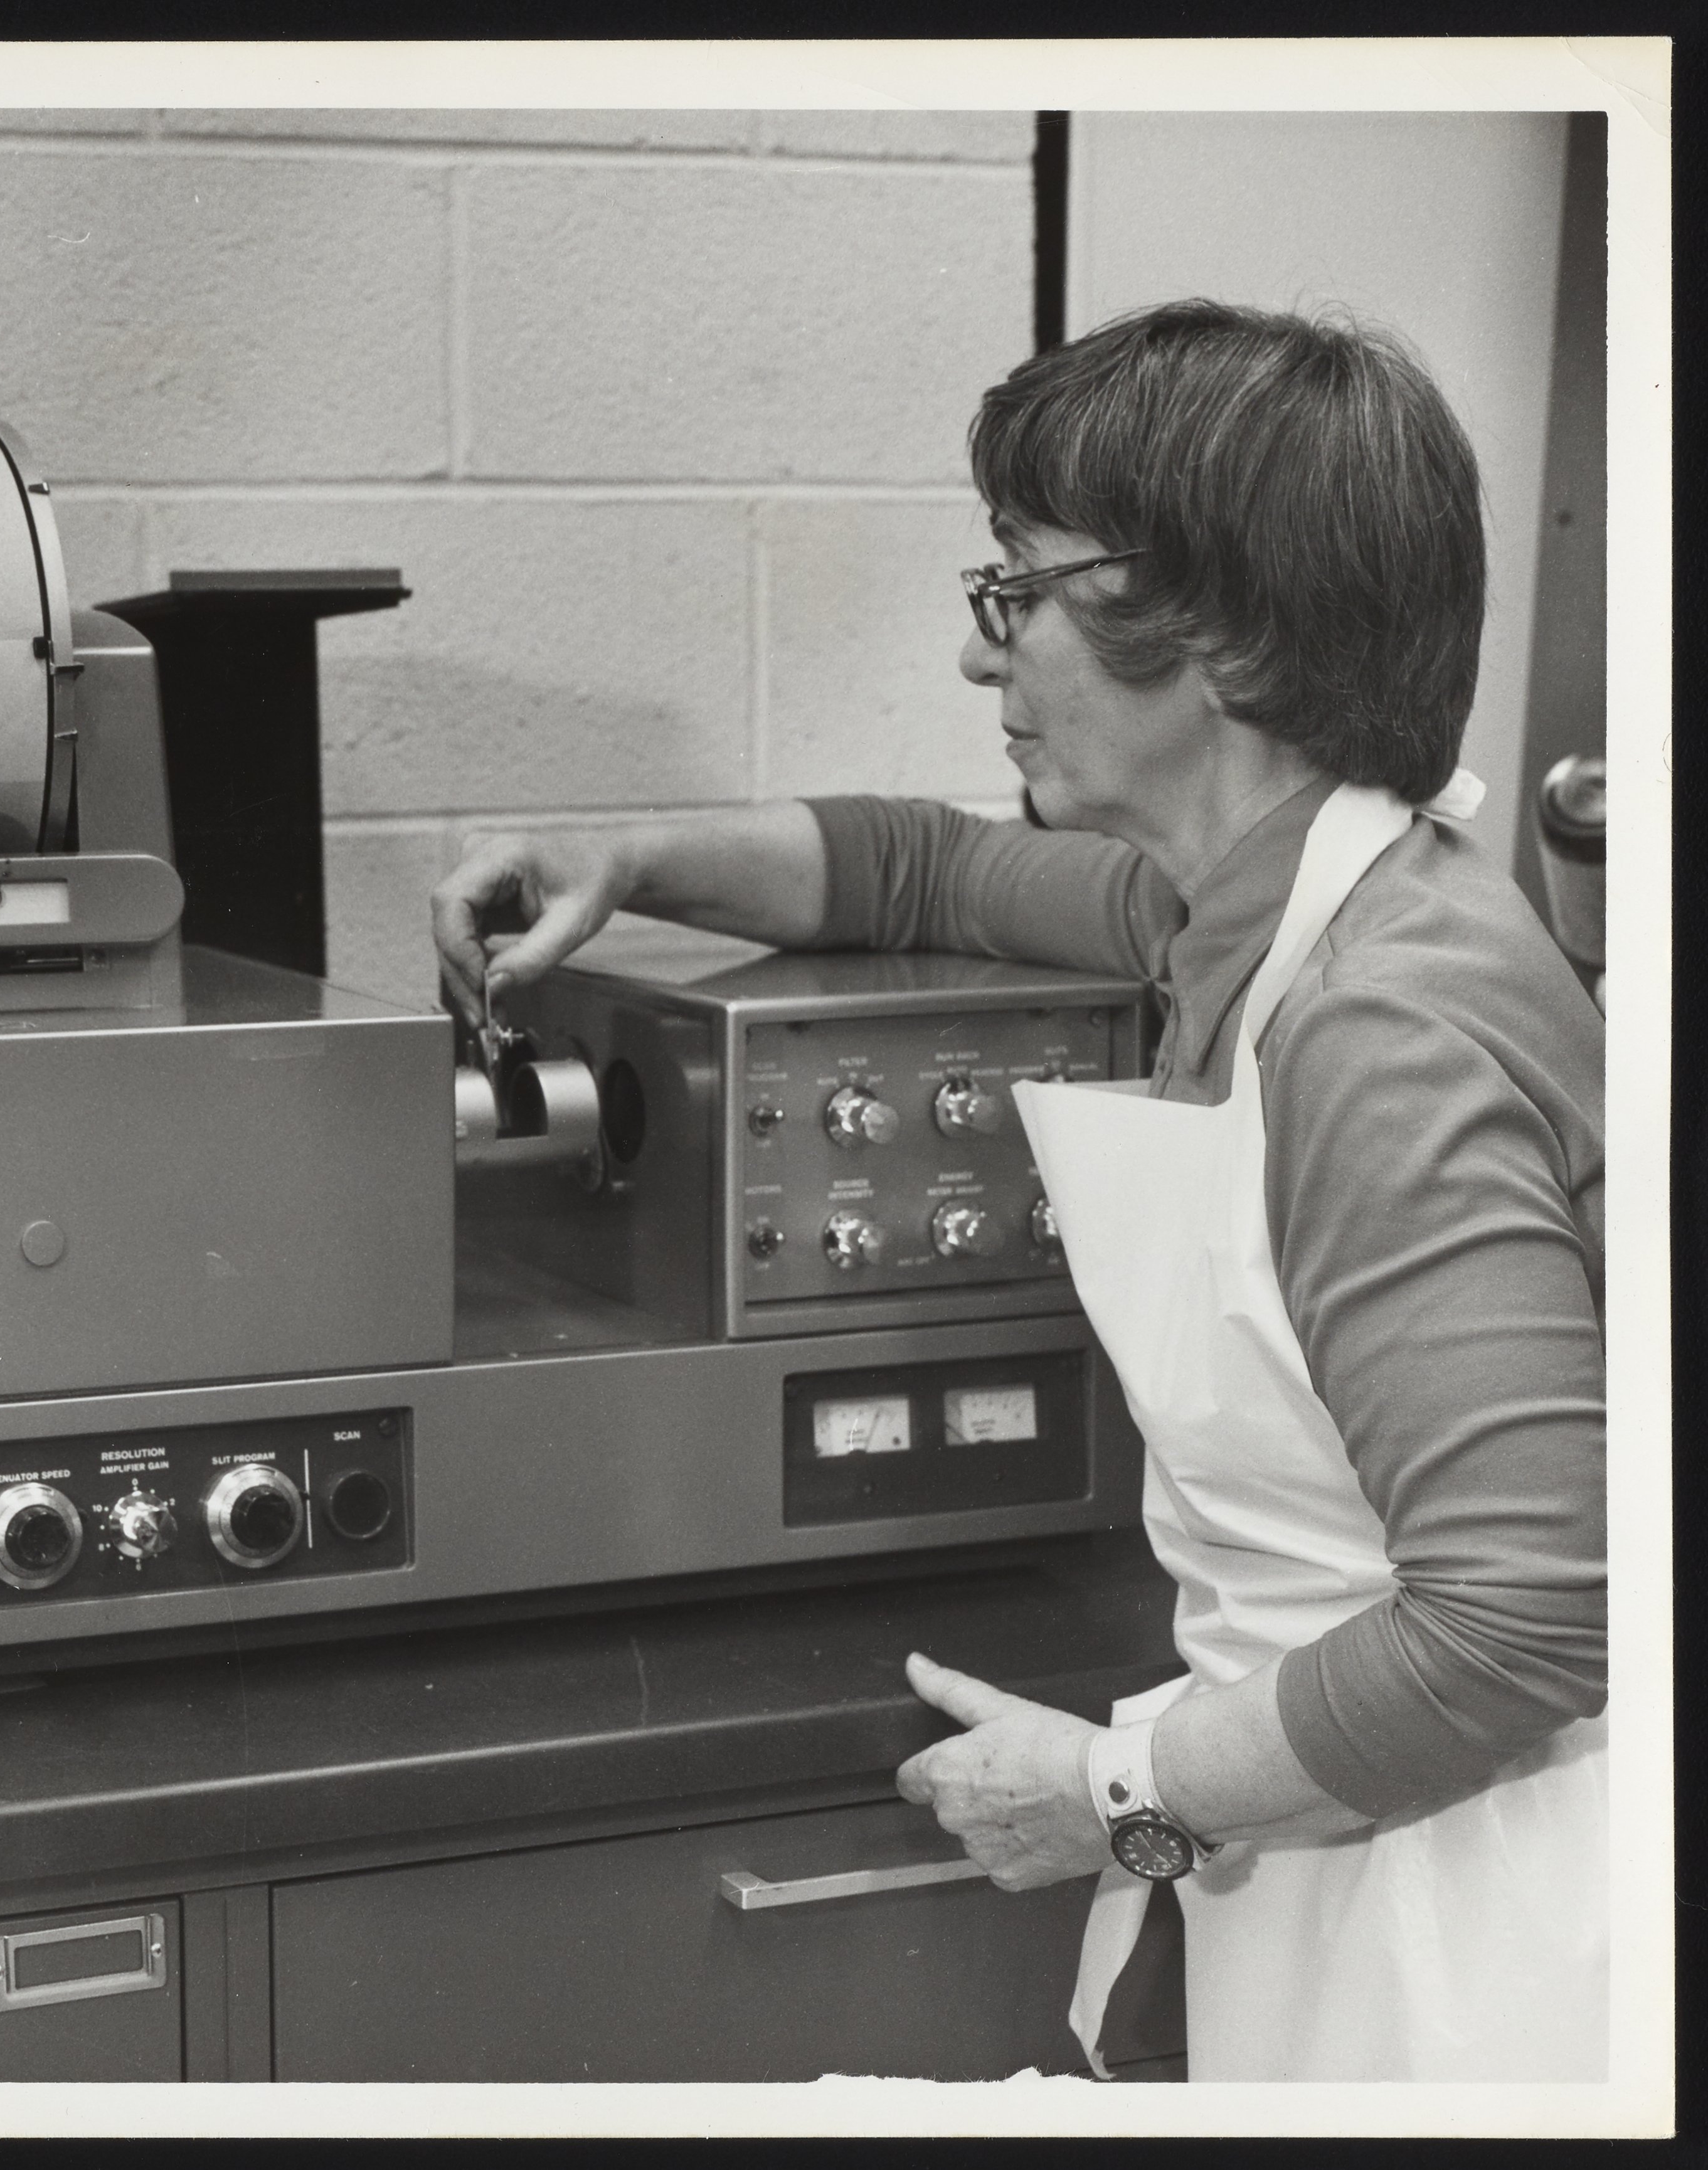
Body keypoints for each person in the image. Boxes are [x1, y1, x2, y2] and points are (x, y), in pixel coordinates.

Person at [430, 302, 1607, 2083]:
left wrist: (1112, 1794)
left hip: (1484, 1923)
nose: (983, 654)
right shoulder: (1237, 902)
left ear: (1215, 632)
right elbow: (921, 870)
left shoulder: (1383, 1024)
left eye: (1017, 590)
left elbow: (1523, 1621)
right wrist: (623, 858)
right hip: (1344, 1824)